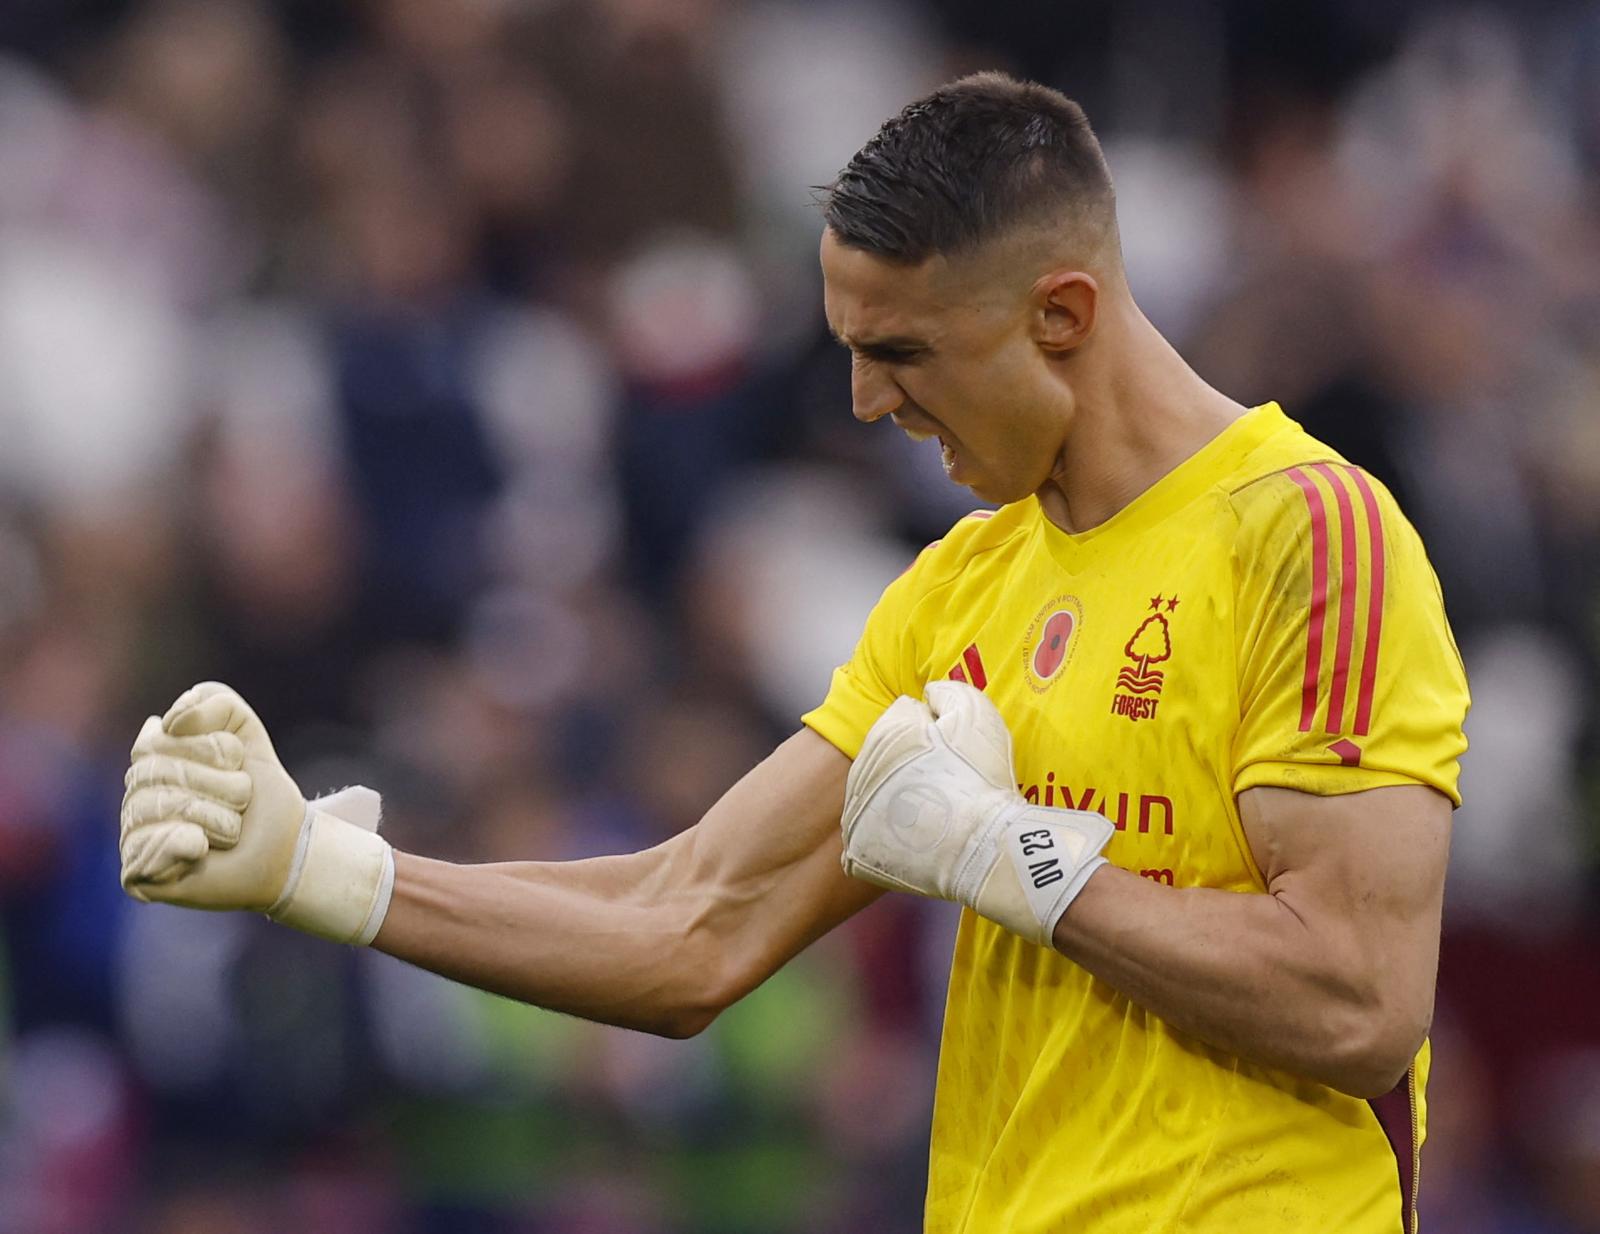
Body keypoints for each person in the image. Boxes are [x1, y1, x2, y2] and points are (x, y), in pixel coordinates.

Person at [117, 73, 1468, 1233]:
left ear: (1061, 314)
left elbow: (1358, 1000)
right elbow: (690, 921)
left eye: (903, 352)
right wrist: (318, 866)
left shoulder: (1308, 535)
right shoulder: (957, 591)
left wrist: (1020, 858)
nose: (871, 401)